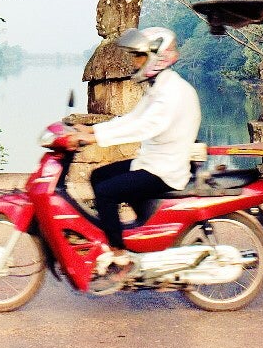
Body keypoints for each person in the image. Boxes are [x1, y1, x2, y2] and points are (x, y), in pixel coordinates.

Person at [69, 26, 201, 281]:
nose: (133, 62)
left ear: (157, 56)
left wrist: (95, 136)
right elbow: (132, 118)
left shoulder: (171, 92)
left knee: (107, 191)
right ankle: (131, 234)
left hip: (165, 169)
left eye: (138, 56)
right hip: (151, 161)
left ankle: (120, 256)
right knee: (98, 176)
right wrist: (91, 130)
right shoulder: (157, 86)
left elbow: (144, 126)